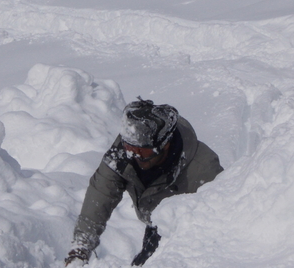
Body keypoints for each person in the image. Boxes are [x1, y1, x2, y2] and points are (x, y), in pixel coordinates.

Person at [65, 97, 224, 266]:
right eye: (130, 147)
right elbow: (101, 193)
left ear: (165, 144)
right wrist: (80, 248)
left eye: (142, 150)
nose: (134, 155)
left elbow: (218, 222)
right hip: (154, 221)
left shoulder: (204, 169)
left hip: (187, 234)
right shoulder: (125, 149)